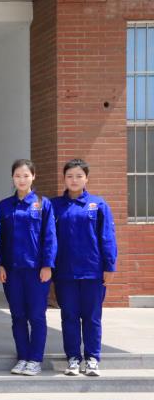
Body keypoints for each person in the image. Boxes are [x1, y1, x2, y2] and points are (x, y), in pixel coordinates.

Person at [51, 159, 117, 377]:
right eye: (70, 176)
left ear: (86, 178)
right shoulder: (54, 206)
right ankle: (73, 358)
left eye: (79, 176)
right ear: (64, 179)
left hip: (92, 271)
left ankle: (92, 358)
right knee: (69, 316)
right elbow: (48, 238)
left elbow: (107, 237)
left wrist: (109, 266)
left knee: (92, 317)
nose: (74, 180)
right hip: (65, 272)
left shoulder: (98, 205)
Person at [0, 159, 57, 376]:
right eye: (17, 176)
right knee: (18, 315)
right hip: (12, 271)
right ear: (12, 178)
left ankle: (35, 359)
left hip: (36, 271)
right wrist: (0, 265)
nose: (21, 180)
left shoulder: (43, 204)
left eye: (26, 175)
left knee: (37, 316)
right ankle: (22, 357)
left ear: (33, 176)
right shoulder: (4, 206)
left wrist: (47, 265)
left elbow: (50, 237)